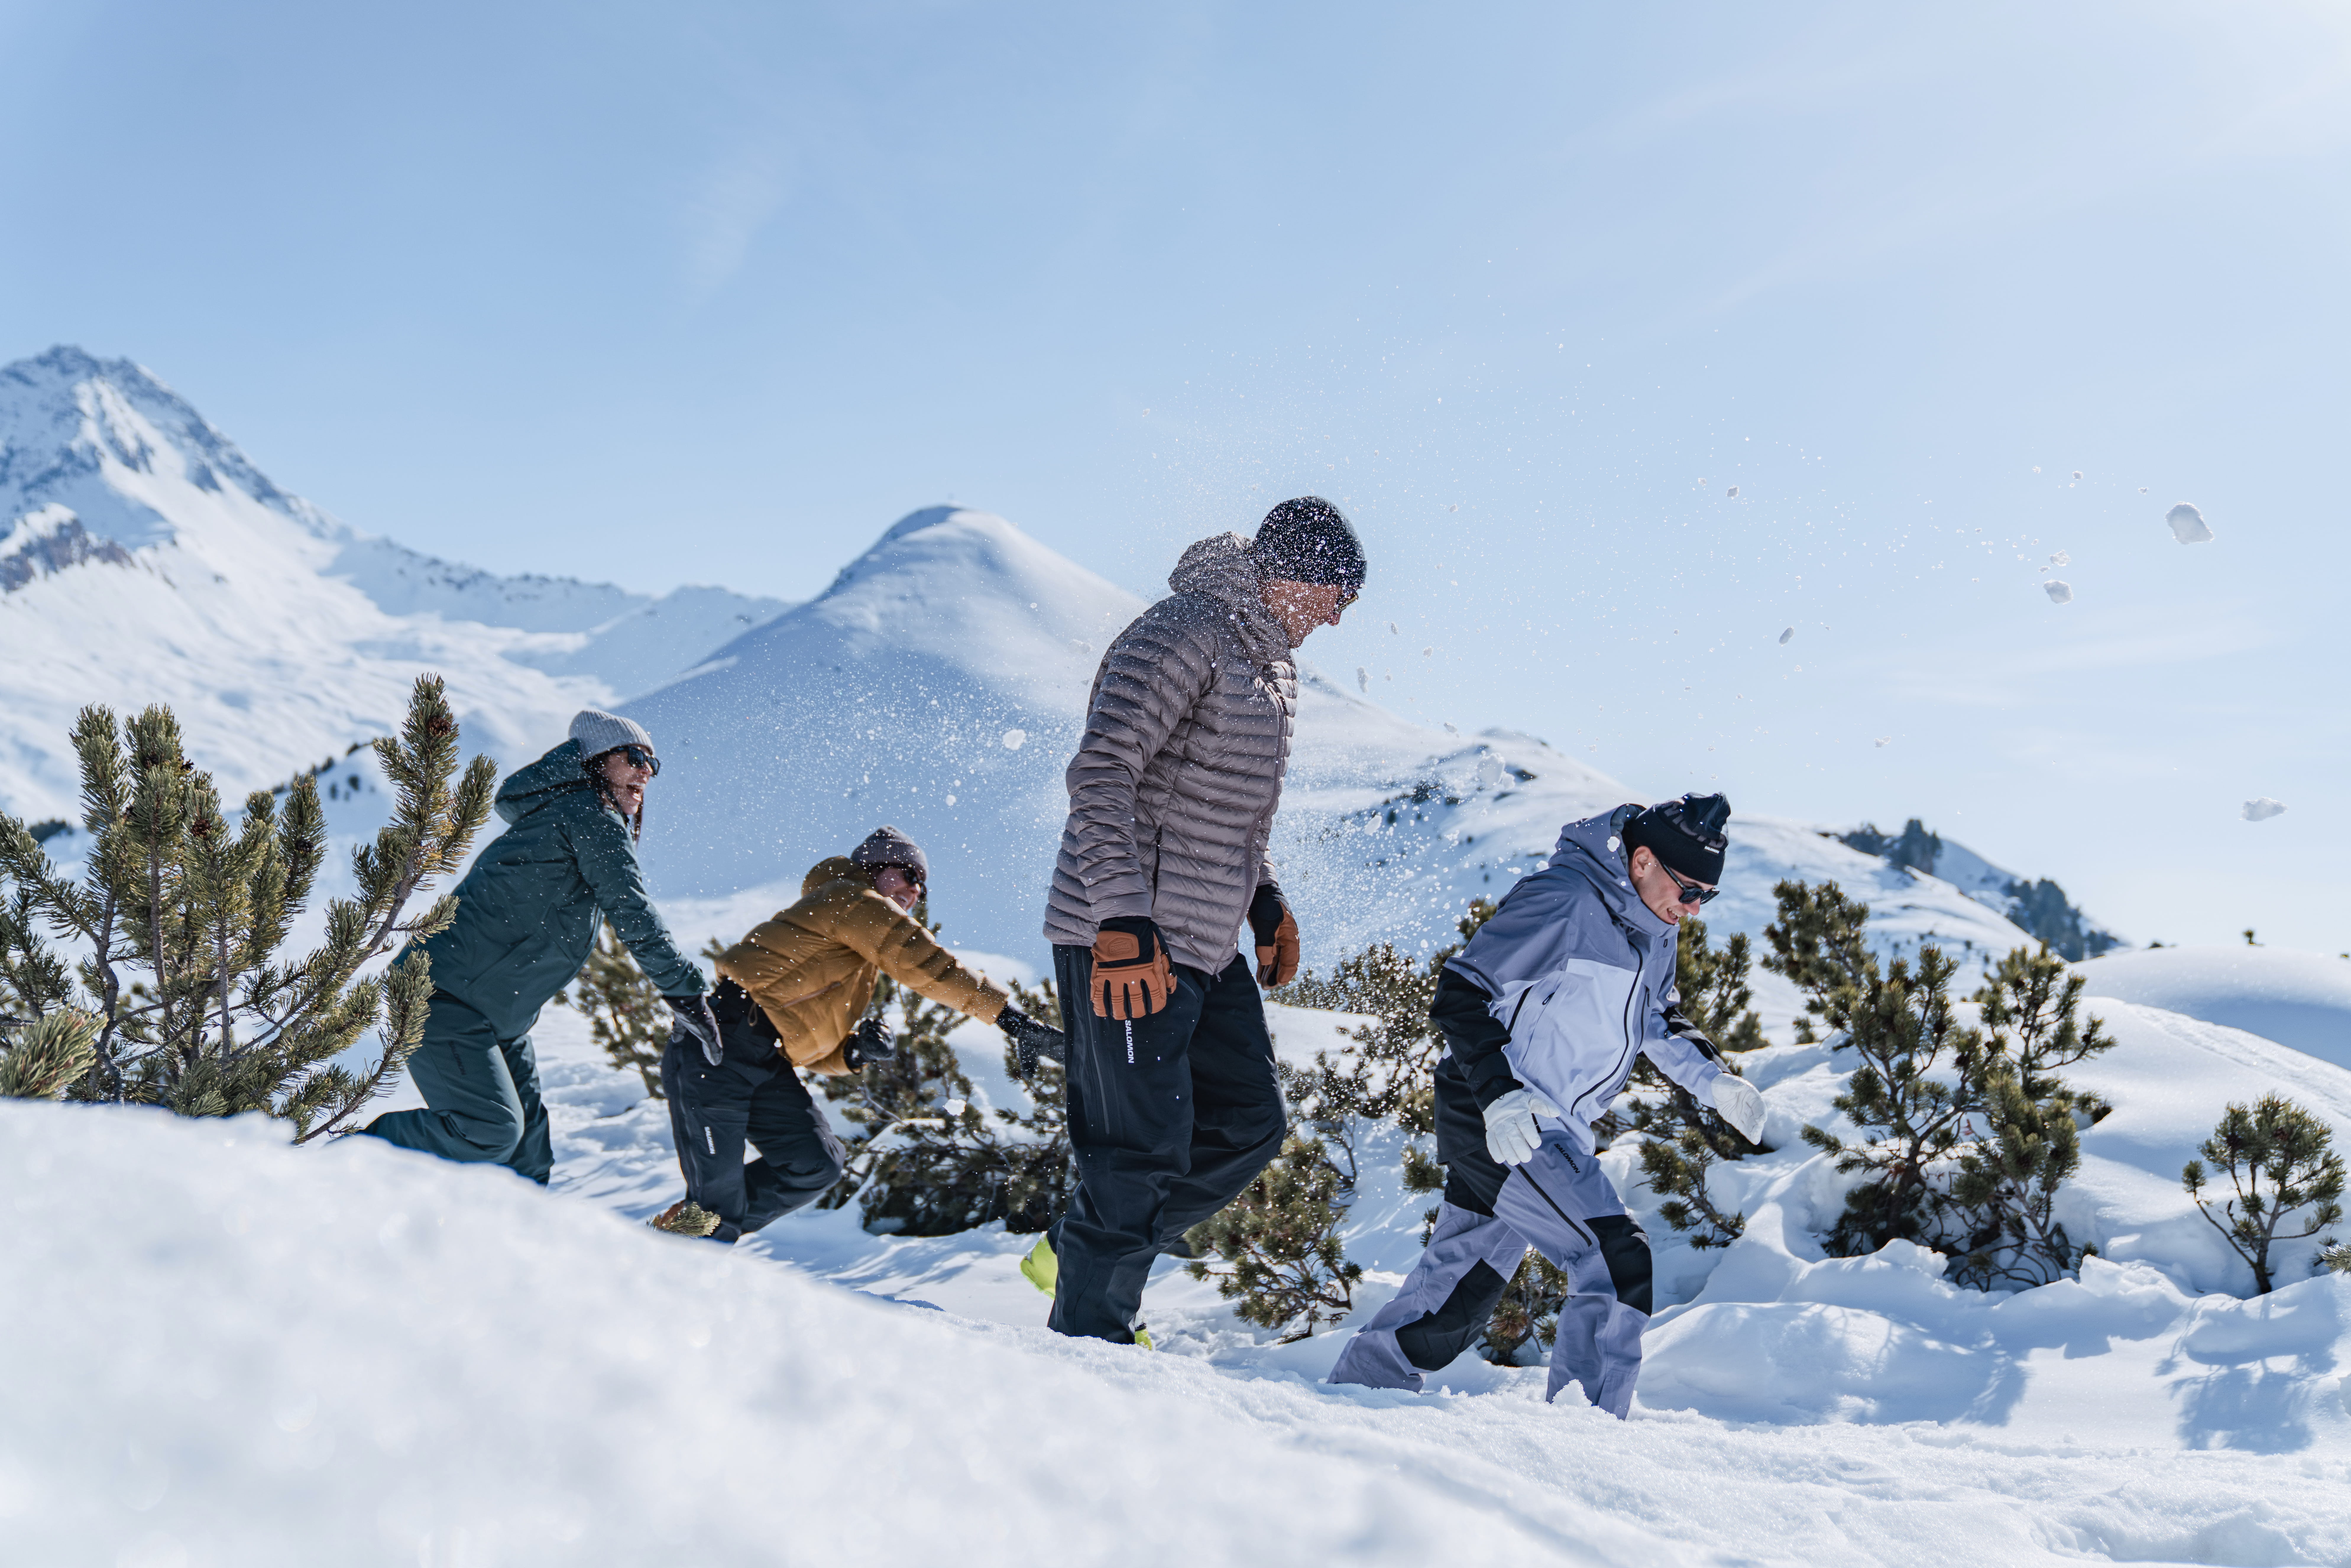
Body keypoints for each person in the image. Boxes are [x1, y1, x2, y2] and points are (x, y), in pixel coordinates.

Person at [1029, 495, 1366, 1343]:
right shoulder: (1184, 631)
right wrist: (1120, 925)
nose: (1337, 617)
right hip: (1127, 939)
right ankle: (1094, 1344)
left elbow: (1226, 811)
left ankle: (1081, 1250)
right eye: (1335, 595)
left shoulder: (1269, 664)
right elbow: (1103, 774)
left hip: (1206, 944)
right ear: (1294, 571)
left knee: (1250, 1124)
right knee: (1136, 1156)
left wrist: (1267, 899)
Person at [1325, 793, 1767, 1418]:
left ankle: (1354, 1398)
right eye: (1688, 889)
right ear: (1642, 861)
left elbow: (1657, 1016)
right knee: (1615, 1258)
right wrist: (1501, 1098)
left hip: (1555, 1126)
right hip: (1508, 1116)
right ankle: (1584, 1440)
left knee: (1457, 1300)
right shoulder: (1565, 899)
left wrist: (1714, 1080)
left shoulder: (1653, 929)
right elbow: (1461, 993)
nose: (1692, 910)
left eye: (1706, 897)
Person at [650, 825, 1067, 1243]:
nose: (916, 890)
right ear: (873, 869)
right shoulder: (847, 897)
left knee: (815, 1164)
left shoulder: (852, 953)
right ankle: (675, 1250)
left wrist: (852, 1053)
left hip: (765, 1059)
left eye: (922, 886)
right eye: (909, 874)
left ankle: (692, 1233)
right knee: (713, 1210)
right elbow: (926, 964)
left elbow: (811, 1048)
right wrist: (1012, 1021)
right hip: (717, 1048)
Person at [364, 710, 718, 1184]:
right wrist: (685, 992)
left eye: (654, 765)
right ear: (595, 762)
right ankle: (347, 1158)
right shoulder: (588, 815)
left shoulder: (576, 817)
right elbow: (634, 913)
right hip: (440, 998)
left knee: (529, 1163)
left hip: (495, 1018)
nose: (646, 772)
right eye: (634, 757)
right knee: (488, 1131)